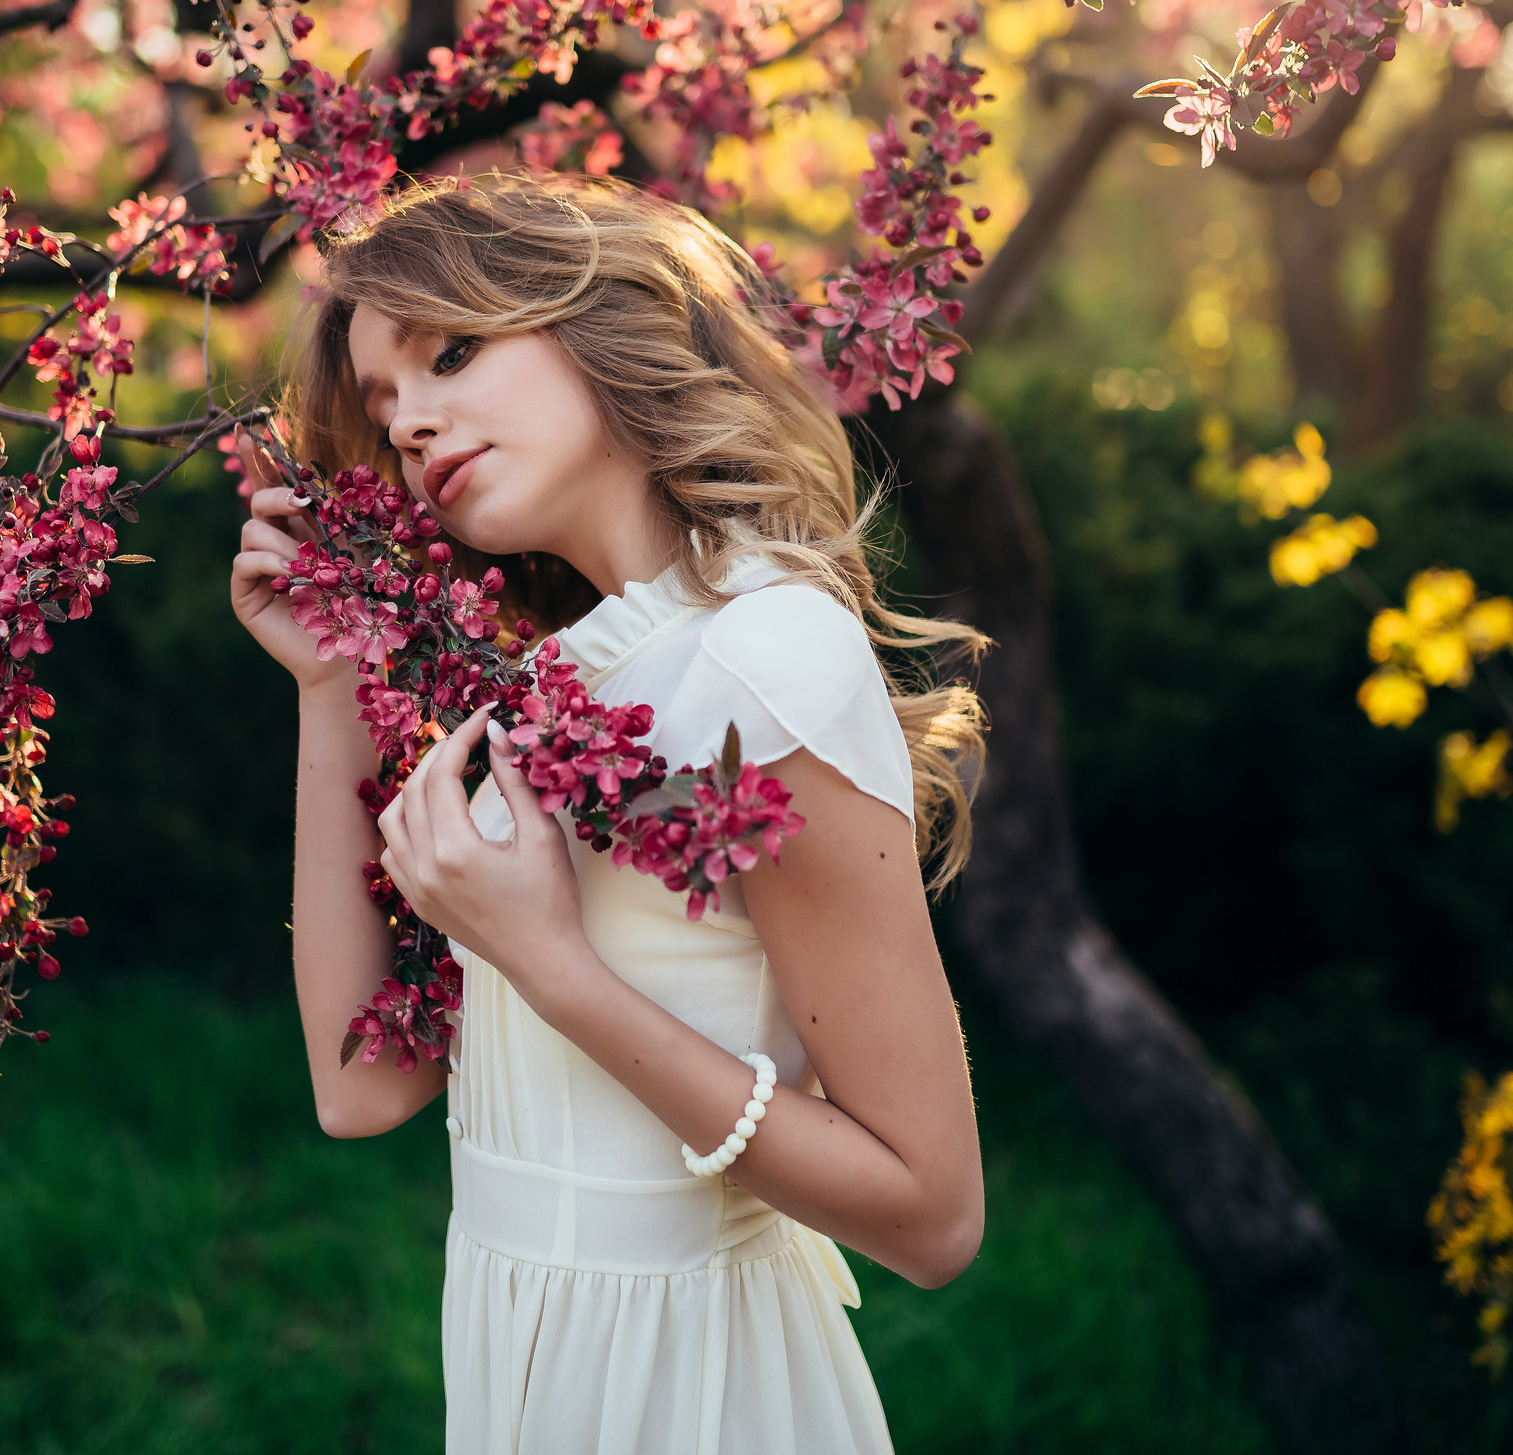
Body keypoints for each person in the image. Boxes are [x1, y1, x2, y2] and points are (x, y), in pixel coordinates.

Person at [230, 175, 987, 1455]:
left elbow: (931, 1213)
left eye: (451, 354)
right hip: (525, 1362)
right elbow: (361, 1088)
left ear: (591, 319)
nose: (412, 424)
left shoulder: (765, 656)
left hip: (692, 1384)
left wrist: (549, 962)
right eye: (384, 405)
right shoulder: (553, 681)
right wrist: (330, 687)